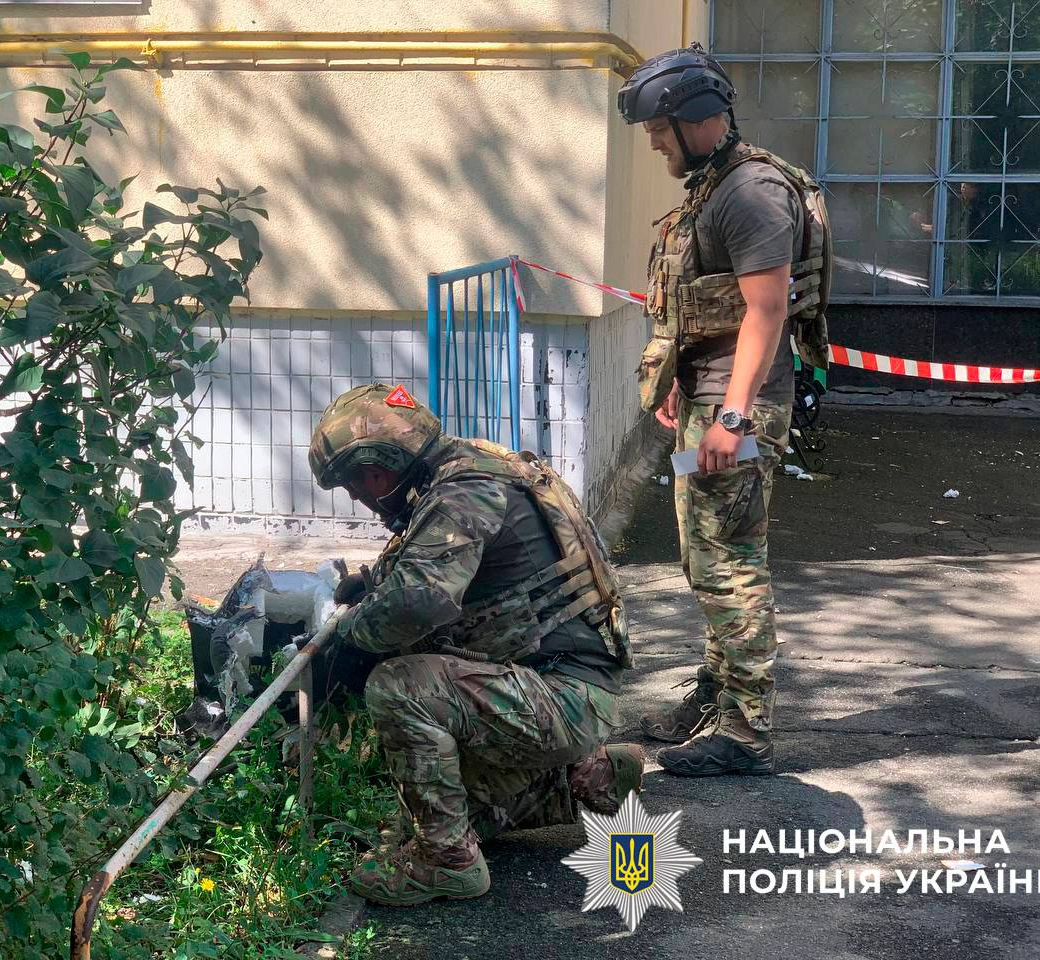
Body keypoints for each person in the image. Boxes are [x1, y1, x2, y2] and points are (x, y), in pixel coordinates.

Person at [308, 383, 642, 906]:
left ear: (381, 465)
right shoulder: (471, 469)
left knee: (399, 688)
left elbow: (417, 604)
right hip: (563, 686)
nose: (359, 498)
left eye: (355, 484)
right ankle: (589, 776)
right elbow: (453, 580)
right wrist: (374, 587)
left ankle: (448, 865)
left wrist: (348, 644)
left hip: (561, 696)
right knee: (436, 806)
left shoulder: (462, 492)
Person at [617, 43, 832, 777]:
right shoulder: (716, 186)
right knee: (705, 557)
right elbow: (699, 308)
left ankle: (746, 732)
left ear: (691, 119)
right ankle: (716, 697)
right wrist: (683, 384)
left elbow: (765, 312)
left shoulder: (751, 194)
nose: (651, 142)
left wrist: (733, 416)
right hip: (709, 400)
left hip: (739, 409)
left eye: (656, 128)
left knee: (730, 561)